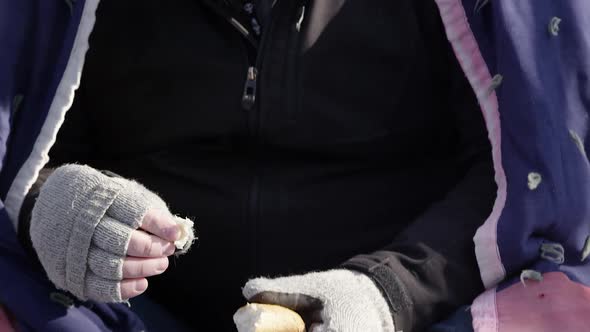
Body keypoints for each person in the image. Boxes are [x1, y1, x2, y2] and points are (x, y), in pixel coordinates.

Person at [2, 1, 500, 331]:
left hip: (406, 310)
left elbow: (514, 175)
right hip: (116, 310)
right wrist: (49, 206)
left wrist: (389, 292)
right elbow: (26, 141)